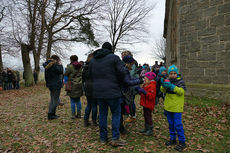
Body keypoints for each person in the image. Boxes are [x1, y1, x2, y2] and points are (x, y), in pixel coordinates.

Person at [89, 42, 143, 146]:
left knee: (103, 115)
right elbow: (122, 73)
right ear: (111, 49)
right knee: (116, 114)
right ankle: (115, 138)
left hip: (98, 92)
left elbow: (90, 75)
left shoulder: (93, 60)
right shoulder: (114, 58)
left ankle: (103, 138)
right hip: (113, 91)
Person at [160, 65, 186, 152]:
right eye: (171, 73)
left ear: (177, 73)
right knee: (171, 124)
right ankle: (173, 139)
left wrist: (172, 86)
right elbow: (162, 91)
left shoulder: (180, 81)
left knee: (178, 125)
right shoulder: (168, 80)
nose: (173, 75)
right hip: (168, 107)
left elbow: (181, 92)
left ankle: (182, 142)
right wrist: (163, 85)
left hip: (177, 107)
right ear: (168, 74)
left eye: (174, 73)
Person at [120, 55, 143, 133]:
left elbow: (129, 79)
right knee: (120, 112)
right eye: (132, 64)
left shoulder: (123, 69)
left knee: (121, 111)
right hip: (122, 93)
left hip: (122, 92)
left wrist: (137, 79)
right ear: (128, 63)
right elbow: (128, 82)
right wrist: (139, 81)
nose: (133, 66)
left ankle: (121, 127)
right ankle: (120, 128)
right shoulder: (124, 70)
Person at [43, 55, 63, 120]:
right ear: (56, 59)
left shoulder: (47, 65)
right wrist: (60, 64)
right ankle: (51, 114)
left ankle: (51, 114)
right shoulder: (55, 65)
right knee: (55, 100)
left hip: (50, 84)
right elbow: (61, 71)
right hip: (56, 84)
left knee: (52, 99)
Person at [136, 72, 156, 136]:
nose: (144, 80)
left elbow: (151, 96)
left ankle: (150, 129)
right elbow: (143, 94)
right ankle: (146, 128)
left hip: (149, 104)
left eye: (145, 78)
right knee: (145, 115)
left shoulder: (152, 86)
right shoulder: (146, 85)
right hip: (145, 104)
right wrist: (139, 91)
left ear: (149, 79)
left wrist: (144, 92)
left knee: (148, 116)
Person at [64, 55, 83, 119]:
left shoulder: (70, 67)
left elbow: (65, 74)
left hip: (72, 85)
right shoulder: (81, 66)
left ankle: (73, 115)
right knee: (78, 100)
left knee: (72, 101)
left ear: (71, 60)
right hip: (79, 84)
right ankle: (79, 114)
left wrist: (67, 68)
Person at [83, 53, 98, 126]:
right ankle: (94, 121)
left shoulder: (85, 66)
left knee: (89, 104)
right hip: (94, 86)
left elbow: (83, 78)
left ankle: (86, 121)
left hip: (87, 86)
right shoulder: (95, 66)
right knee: (94, 105)